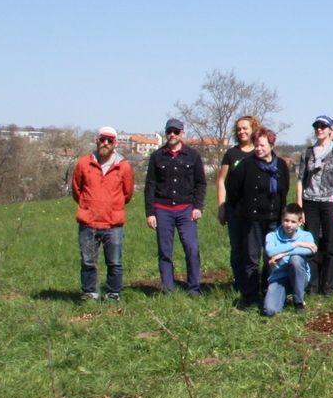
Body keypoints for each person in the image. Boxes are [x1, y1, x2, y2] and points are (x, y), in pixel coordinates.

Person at [225, 127, 293, 307]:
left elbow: (283, 190)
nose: (258, 149)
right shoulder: (246, 165)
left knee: (271, 258)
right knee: (252, 258)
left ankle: (268, 291)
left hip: (273, 219)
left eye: (262, 145)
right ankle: (251, 295)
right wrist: (242, 209)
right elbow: (233, 189)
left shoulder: (280, 166)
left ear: (271, 145)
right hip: (252, 220)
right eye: (256, 145)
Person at [143, 118, 208, 296]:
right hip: (162, 209)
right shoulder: (157, 156)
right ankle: (168, 288)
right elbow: (150, 185)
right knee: (165, 251)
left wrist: (198, 207)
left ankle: (194, 288)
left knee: (191, 248)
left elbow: (201, 183)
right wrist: (150, 213)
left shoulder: (193, 156)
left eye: (176, 131)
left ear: (182, 133)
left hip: (186, 209)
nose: (172, 134)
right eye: (169, 131)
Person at [71, 127, 135, 301]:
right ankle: (90, 293)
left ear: (115, 143)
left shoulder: (124, 167)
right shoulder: (84, 164)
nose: (105, 143)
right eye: (102, 139)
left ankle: (113, 293)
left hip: (113, 224)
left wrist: (113, 206)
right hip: (88, 221)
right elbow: (77, 190)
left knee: (114, 263)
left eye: (109, 140)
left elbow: (127, 194)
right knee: (88, 262)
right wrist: (88, 205)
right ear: (96, 140)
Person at [297, 115, 333, 296]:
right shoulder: (307, 153)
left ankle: (329, 286)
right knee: (311, 245)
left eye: (323, 126)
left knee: (330, 246)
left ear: (330, 130)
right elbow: (300, 180)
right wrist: (300, 206)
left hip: (330, 203)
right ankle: (312, 285)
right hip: (310, 203)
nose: (319, 129)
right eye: (317, 126)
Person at [216, 115, 260, 295]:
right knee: (237, 248)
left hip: (255, 211)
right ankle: (239, 283)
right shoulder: (231, 154)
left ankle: (255, 283)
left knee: (253, 249)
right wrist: (221, 207)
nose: (241, 132)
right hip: (234, 209)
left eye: (245, 128)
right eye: (238, 129)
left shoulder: (259, 152)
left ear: (253, 129)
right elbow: (221, 181)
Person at [261, 203, 316, 316]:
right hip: (279, 277)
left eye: (293, 222)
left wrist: (283, 254)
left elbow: (312, 249)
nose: (289, 224)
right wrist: (296, 244)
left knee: (295, 259)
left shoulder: (306, 235)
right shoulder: (272, 236)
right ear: (281, 219)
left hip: (299, 277)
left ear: (300, 222)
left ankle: (298, 301)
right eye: (286, 220)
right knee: (270, 311)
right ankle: (281, 296)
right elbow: (270, 251)